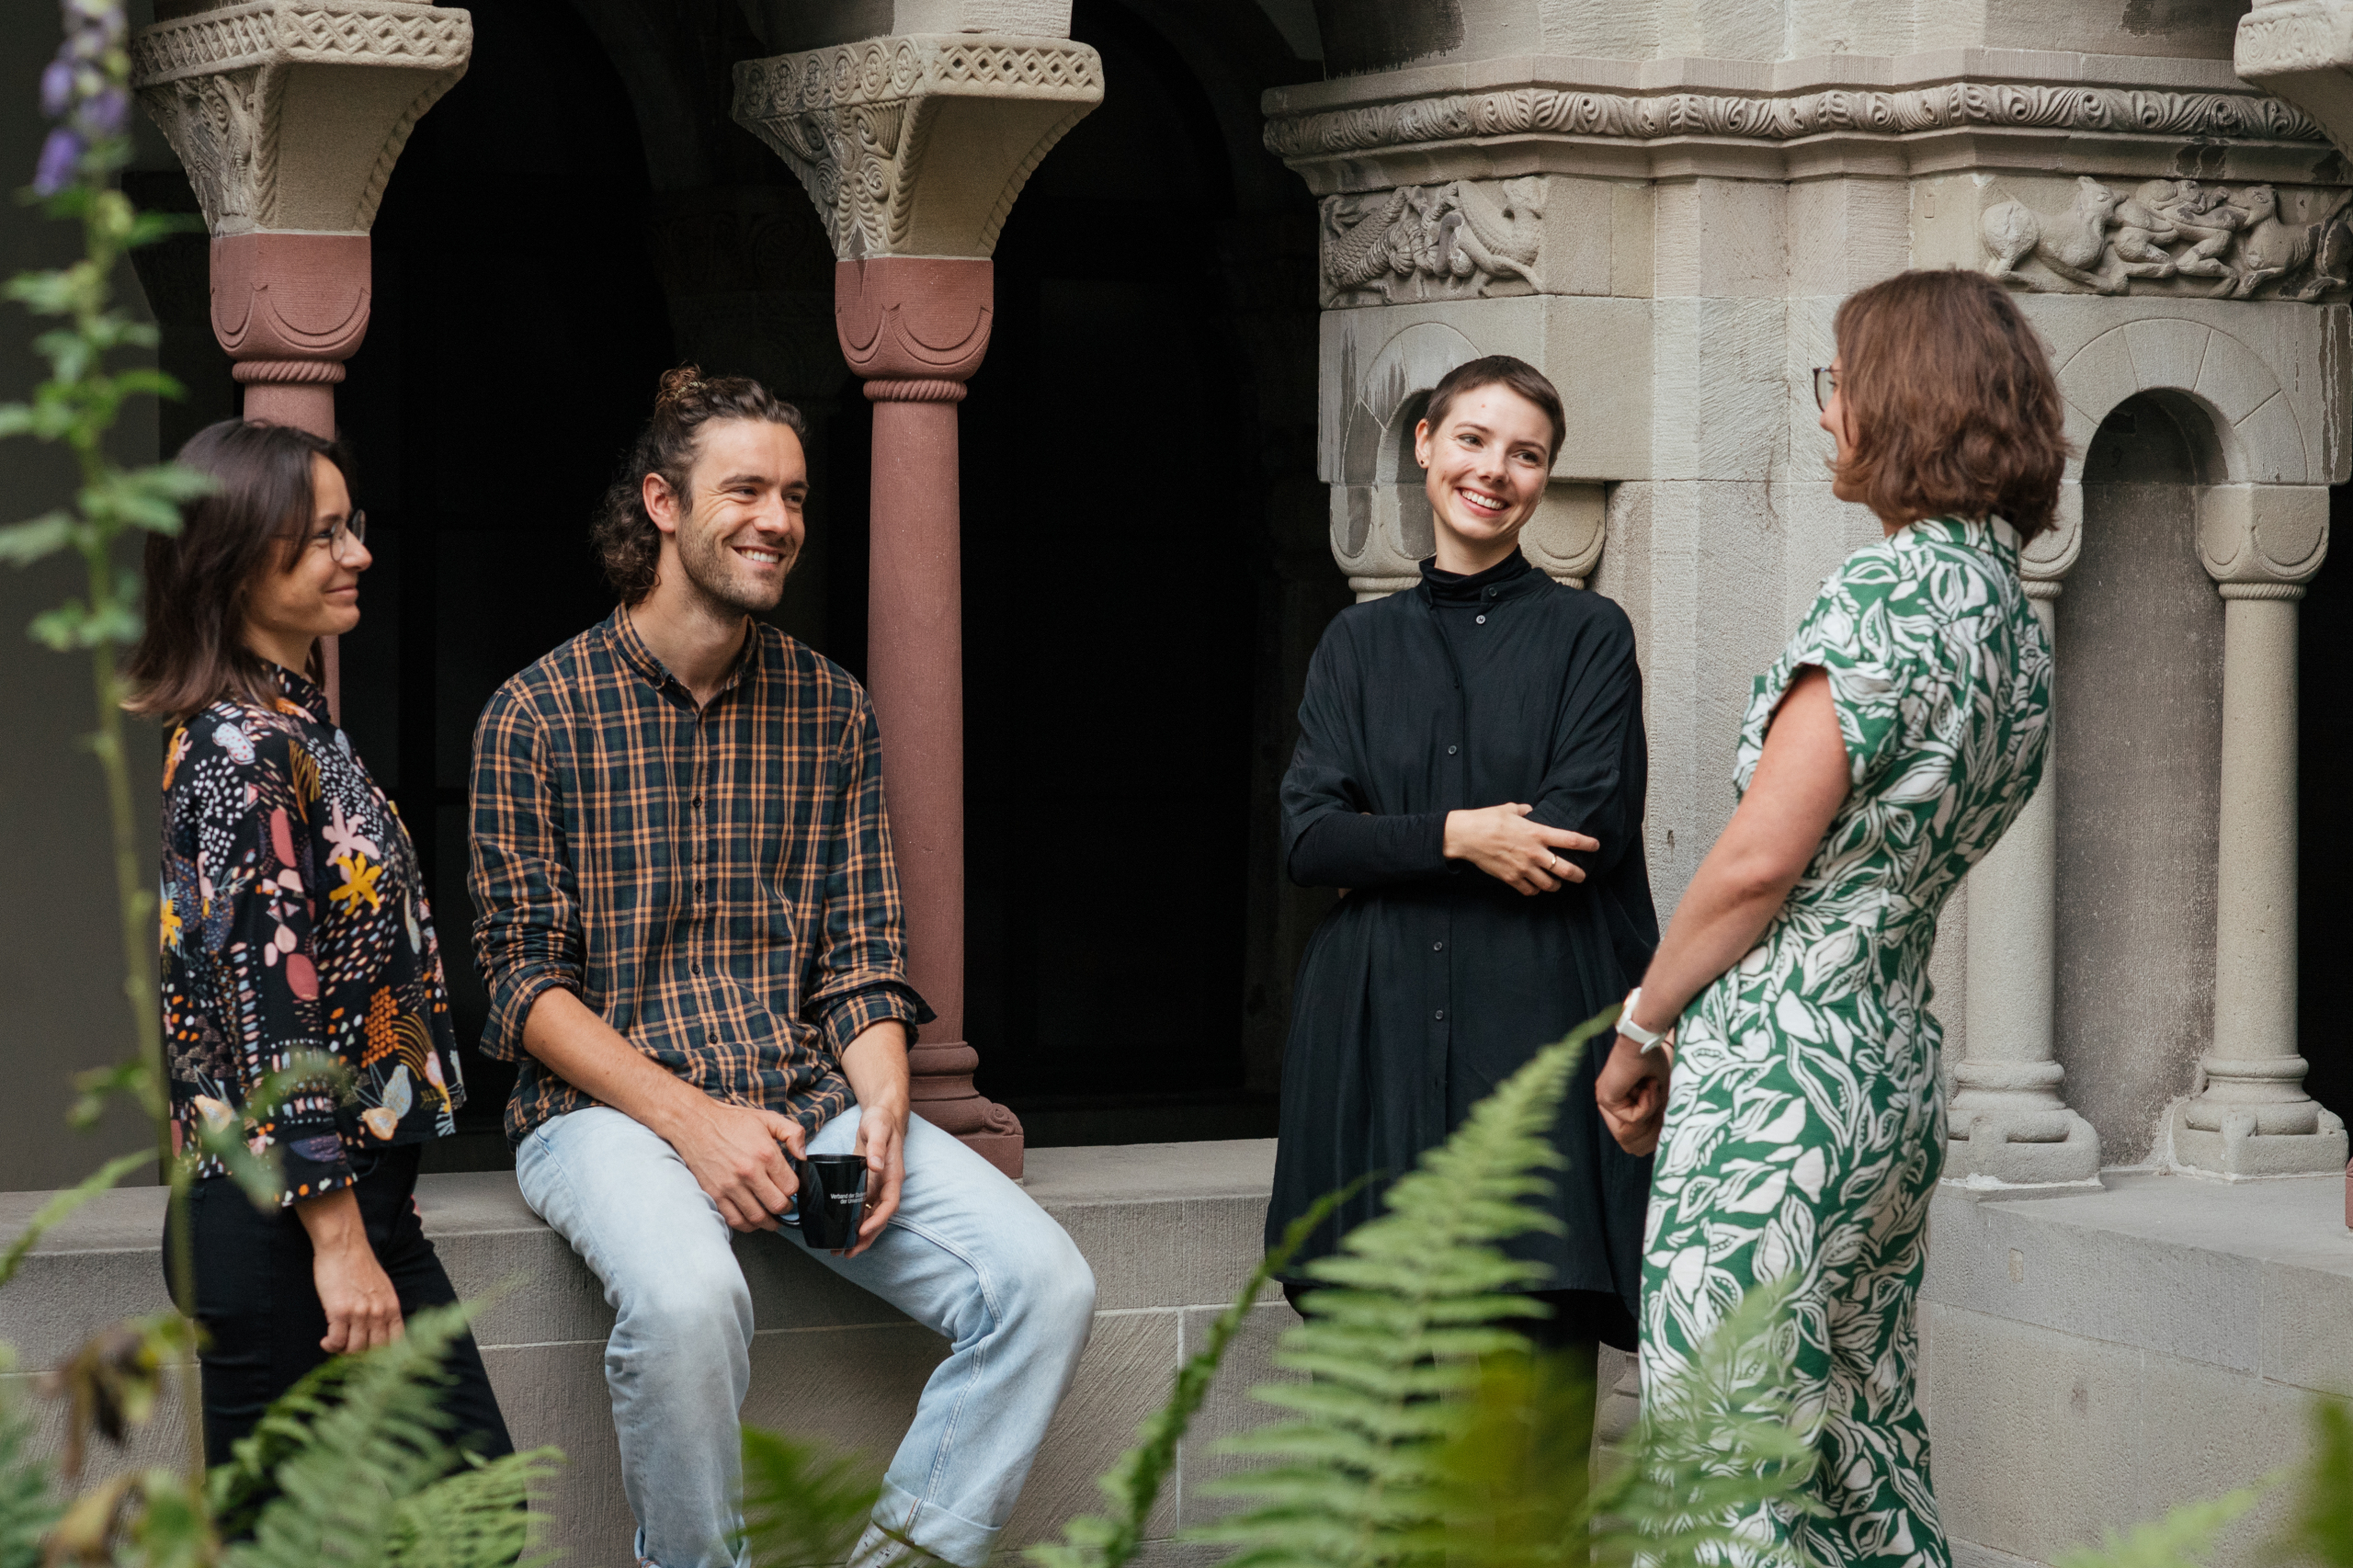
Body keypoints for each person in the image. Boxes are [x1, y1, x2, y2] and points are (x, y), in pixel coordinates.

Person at [467, 368, 1097, 1568]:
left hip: (802, 1105)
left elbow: (861, 950)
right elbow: (518, 981)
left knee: (1042, 1284)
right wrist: (693, 1122)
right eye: (745, 488)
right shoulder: (536, 713)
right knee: (696, 1302)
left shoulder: (831, 706)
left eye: (795, 495)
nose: (778, 519)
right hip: (606, 1117)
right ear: (661, 502)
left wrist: (883, 1094)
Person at [1595, 269, 2063, 1567]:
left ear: (1901, 406)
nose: (1826, 419)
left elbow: (1755, 862)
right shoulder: (2012, 627)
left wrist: (1641, 1024)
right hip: (1894, 1063)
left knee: (1723, 1444)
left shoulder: (1882, 600)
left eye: (1839, 388)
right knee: (1860, 1434)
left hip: (1781, 1081)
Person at [127, 419, 513, 1468]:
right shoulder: (238, 750)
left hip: (349, 1207)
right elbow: (269, 1012)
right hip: (288, 1227)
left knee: (463, 1512)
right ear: (238, 554)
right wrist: (340, 1242)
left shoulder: (293, 726)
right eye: (325, 535)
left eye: (355, 527)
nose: (360, 555)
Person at [1267, 354, 1658, 1360]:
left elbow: (1580, 829)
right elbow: (1310, 836)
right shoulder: (1355, 645)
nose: (1495, 470)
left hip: (1535, 1048)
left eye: (1526, 454)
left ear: (1544, 479)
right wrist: (1461, 834)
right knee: (1383, 1442)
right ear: (1426, 444)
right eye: (1474, 440)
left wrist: (1389, 842)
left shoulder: (1588, 636)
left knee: (1525, 1424)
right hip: (1374, 1051)